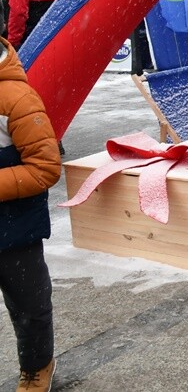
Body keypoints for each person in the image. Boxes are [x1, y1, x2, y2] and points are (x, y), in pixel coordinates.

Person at [0, 36, 63, 390]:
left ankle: (38, 365)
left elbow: (44, 168)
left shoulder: (16, 98)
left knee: (29, 304)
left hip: (14, 226)